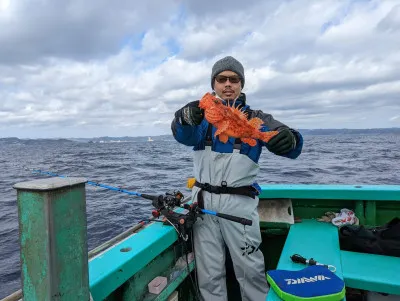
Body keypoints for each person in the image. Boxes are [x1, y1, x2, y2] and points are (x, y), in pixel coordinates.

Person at [171, 56, 303, 301]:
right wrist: (183, 117)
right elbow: (184, 134)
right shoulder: (204, 118)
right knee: (209, 271)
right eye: (222, 79)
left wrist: (290, 139)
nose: (228, 84)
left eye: (234, 79)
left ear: (241, 84)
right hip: (203, 203)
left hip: (240, 203)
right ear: (214, 84)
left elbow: (290, 142)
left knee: (250, 268)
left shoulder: (258, 117)